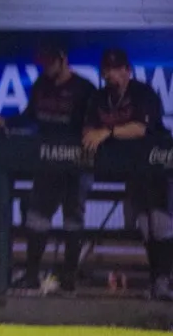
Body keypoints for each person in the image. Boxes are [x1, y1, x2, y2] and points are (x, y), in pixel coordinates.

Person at [0, 43, 95, 294]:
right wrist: (4, 122)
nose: (45, 67)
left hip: (76, 163)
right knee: (36, 216)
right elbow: (30, 116)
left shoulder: (84, 88)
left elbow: (92, 125)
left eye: (50, 61)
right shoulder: (41, 85)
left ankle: (68, 278)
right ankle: (32, 275)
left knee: (73, 218)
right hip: (46, 161)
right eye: (43, 62)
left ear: (62, 59)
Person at [83, 48, 173, 302]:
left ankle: (164, 280)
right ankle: (157, 280)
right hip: (132, 170)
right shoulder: (99, 97)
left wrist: (108, 132)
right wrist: (94, 132)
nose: (110, 74)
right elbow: (88, 128)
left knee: (161, 224)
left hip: (157, 165)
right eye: (106, 70)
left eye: (115, 69)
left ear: (127, 70)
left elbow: (140, 128)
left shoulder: (142, 93)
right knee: (144, 226)